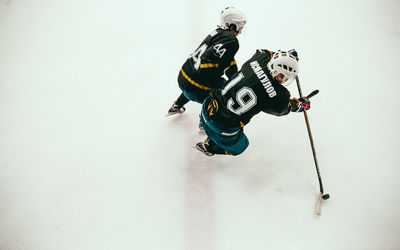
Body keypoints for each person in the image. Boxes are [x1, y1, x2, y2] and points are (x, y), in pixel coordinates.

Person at [195, 49, 311, 156]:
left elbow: (268, 53)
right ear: (278, 73)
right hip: (221, 127)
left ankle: (204, 124)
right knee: (240, 147)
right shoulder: (279, 95)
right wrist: (298, 104)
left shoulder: (259, 58)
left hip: (207, 107)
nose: (284, 80)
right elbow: (284, 108)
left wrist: (287, 57)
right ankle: (209, 146)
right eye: (284, 77)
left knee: (223, 98)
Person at [167, 7, 247, 116]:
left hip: (183, 78)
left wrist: (233, 75)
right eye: (239, 27)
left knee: (196, 77)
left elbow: (227, 59)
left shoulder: (217, 32)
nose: (240, 31)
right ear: (231, 25)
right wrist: (232, 82)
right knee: (225, 88)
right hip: (195, 89)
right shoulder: (231, 40)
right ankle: (205, 118)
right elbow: (206, 63)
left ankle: (177, 105)